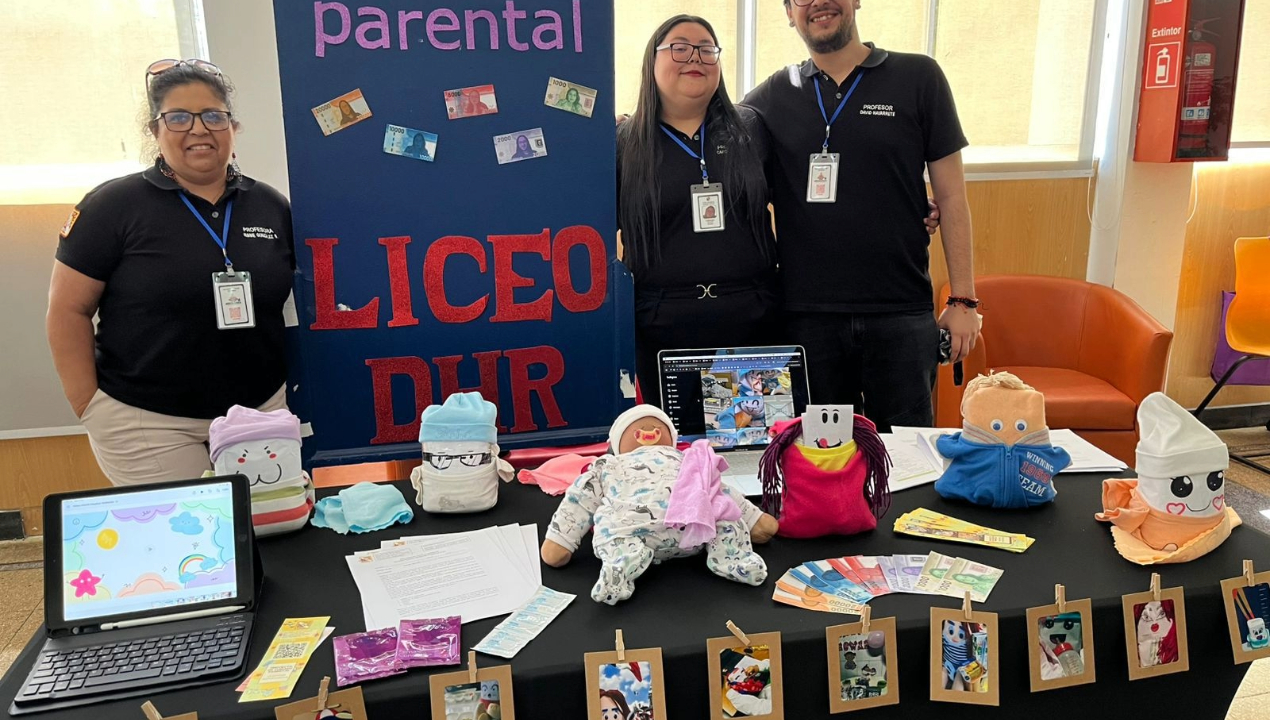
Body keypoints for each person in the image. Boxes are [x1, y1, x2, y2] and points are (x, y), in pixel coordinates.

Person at [47, 59, 294, 486]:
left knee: (276, 524)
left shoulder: (270, 205)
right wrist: (89, 404)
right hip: (150, 423)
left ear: (233, 128)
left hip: (259, 413)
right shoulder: (113, 207)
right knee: (194, 529)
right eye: (178, 118)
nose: (198, 129)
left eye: (213, 116)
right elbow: (68, 310)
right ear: (155, 131)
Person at [743, 0, 976, 431]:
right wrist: (630, 124)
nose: (818, 3)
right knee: (822, 456)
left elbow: (952, 197)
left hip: (900, 313)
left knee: (907, 455)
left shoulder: (919, 77)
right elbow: (705, 128)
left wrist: (963, 300)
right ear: (789, 12)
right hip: (808, 320)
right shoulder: (773, 96)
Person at [618, 15, 782, 407]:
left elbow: (799, 205)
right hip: (661, 329)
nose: (695, 57)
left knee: (751, 435)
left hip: (751, 324)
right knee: (671, 442)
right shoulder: (623, 143)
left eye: (707, 49)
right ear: (652, 60)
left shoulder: (751, 129)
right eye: (680, 47)